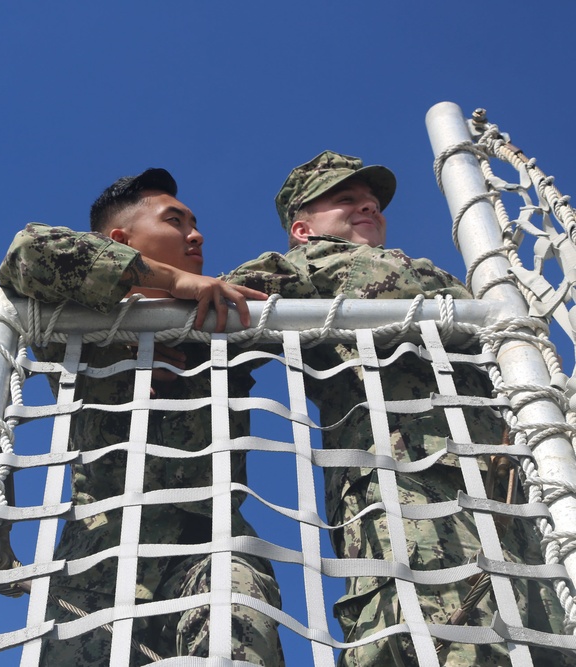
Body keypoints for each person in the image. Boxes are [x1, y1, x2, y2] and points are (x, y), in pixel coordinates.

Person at [226, 151, 573, 666]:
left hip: (502, 481)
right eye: (346, 199)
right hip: (403, 484)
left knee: (536, 631)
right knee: (435, 634)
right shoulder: (304, 267)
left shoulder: (432, 272)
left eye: (372, 201)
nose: (368, 207)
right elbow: (223, 307)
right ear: (302, 228)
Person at [0, 169, 283, 665]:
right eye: (175, 221)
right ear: (120, 240)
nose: (196, 234)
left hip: (211, 551)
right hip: (98, 564)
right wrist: (170, 282)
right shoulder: (75, 319)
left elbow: (306, 275)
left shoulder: (225, 308)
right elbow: (30, 251)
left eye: (195, 224)